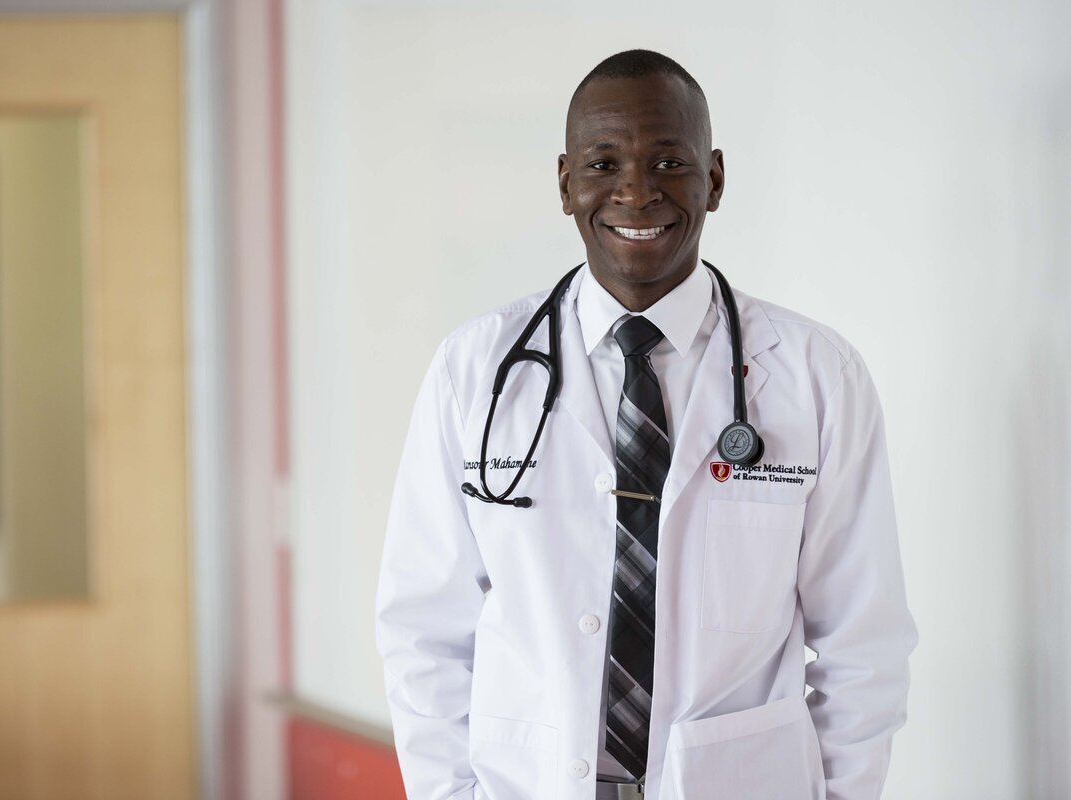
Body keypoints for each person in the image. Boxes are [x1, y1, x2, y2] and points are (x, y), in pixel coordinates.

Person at [375, 49, 917, 800]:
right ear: (566, 185)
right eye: (603, 164)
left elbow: (863, 642)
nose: (636, 192)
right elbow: (425, 631)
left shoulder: (817, 375)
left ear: (714, 179)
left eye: (668, 161)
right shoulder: (473, 372)